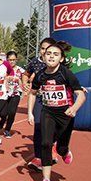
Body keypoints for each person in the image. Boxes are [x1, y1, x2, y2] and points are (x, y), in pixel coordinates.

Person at [27, 41, 86, 181]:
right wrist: (30, 112)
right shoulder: (40, 75)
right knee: (46, 143)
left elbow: (81, 94)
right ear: (43, 56)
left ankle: (65, 150)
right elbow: (32, 94)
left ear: (61, 59)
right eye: (48, 53)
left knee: (60, 148)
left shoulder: (65, 73)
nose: (51, 56)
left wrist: (74, 108)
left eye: (55, 54)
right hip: (48, 111)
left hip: (66, 114)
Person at [22, 37, 56, 171]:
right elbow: (26, 74)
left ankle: (53, 146)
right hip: (40, 99)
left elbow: (68, 78)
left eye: (48, 49)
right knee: (37, 126)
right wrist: (25, 83)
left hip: (54, 102)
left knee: (52, 128)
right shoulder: (35, 62)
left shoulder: (58, 63)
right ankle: (38, 158)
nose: (45, 52)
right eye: (42, 49)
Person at [0, 50, 25, 138]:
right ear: (7, 60)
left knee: (12, 112)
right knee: (3, 113)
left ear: (16, 60)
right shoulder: (3, 69)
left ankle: (7, 130)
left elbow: (24, 81)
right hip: (4, 93)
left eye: (13, 60)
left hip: (15, 93)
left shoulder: (20, 70)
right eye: (10, 60)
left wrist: (22, 88)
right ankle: (2, 120)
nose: (12, 62)